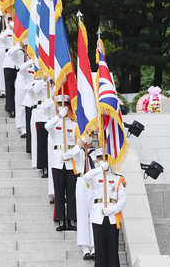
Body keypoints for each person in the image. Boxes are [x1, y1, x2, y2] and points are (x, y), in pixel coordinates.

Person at [84, 152, 127, 267]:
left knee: (113, 249)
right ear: (97, 160)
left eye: (106, 159)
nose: (104, 160)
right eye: (100, 158)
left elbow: (123, 198)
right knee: (100, 249)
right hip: (98, 215)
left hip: (112, 216)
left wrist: (113, 209)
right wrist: (100, 169)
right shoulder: (95, 177)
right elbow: (86, 177)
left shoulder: (117, 178)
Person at [45, 94, 77, 231]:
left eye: (65, 104)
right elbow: (46, 126)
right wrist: (59, 116)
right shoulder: (54, 122)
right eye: (59, 105)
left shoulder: (73, 123)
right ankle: (60, 220)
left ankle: (71, 220)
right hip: (58, 160)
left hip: (70, 160)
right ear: (57, 107)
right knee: (59, 191)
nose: (62, 107)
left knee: (71, 192)